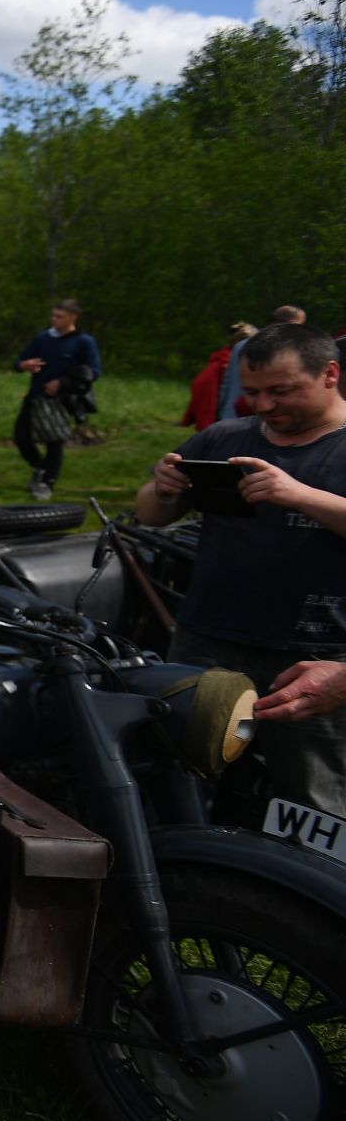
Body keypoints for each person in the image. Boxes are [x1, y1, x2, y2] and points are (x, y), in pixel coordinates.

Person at [135, 322, 346, 817]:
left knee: (313, 799)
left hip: (314, 658)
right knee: (183, 775)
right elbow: (151, 515)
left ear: (329, 374)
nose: (265, 406)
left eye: (281, 391)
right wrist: (163, 488)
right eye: (253, 392)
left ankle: (308, 888)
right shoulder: (225, 437)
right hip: (207, 639)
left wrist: (299, 495)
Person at [13, 299, 101, 500]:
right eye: (53, 315)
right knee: (21, 437)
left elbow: (93, 371)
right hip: (36, 395)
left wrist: (62, 383)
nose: (54, 320)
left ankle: (47, 482)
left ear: (72, 318)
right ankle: (40, 467)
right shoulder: (43, 338)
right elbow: (19, 362)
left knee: (54, 441)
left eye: (59, 317)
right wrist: (24, 365)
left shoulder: (83, 342)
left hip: (62, 399)